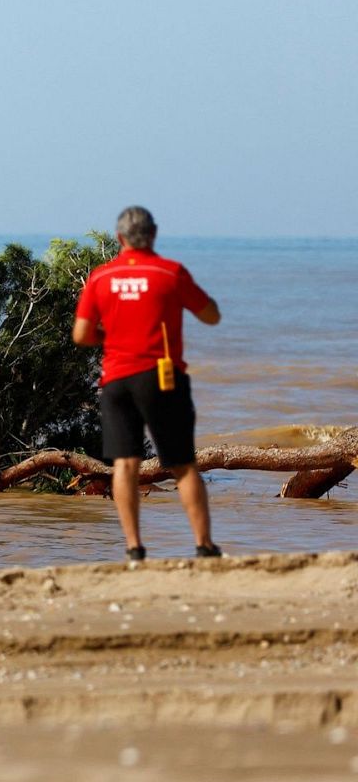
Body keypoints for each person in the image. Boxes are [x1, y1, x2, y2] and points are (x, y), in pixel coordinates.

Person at [73, 206, 222, 562]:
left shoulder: (101, 277)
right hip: (161, 378)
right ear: (153, 235)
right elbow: (211, 316)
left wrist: (110, 337)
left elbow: (81, 335)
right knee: (182, 464)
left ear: (119, 238)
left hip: (117, 380)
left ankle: (134, 549)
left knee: (125, 465)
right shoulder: (170, 272)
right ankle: (203, 546)